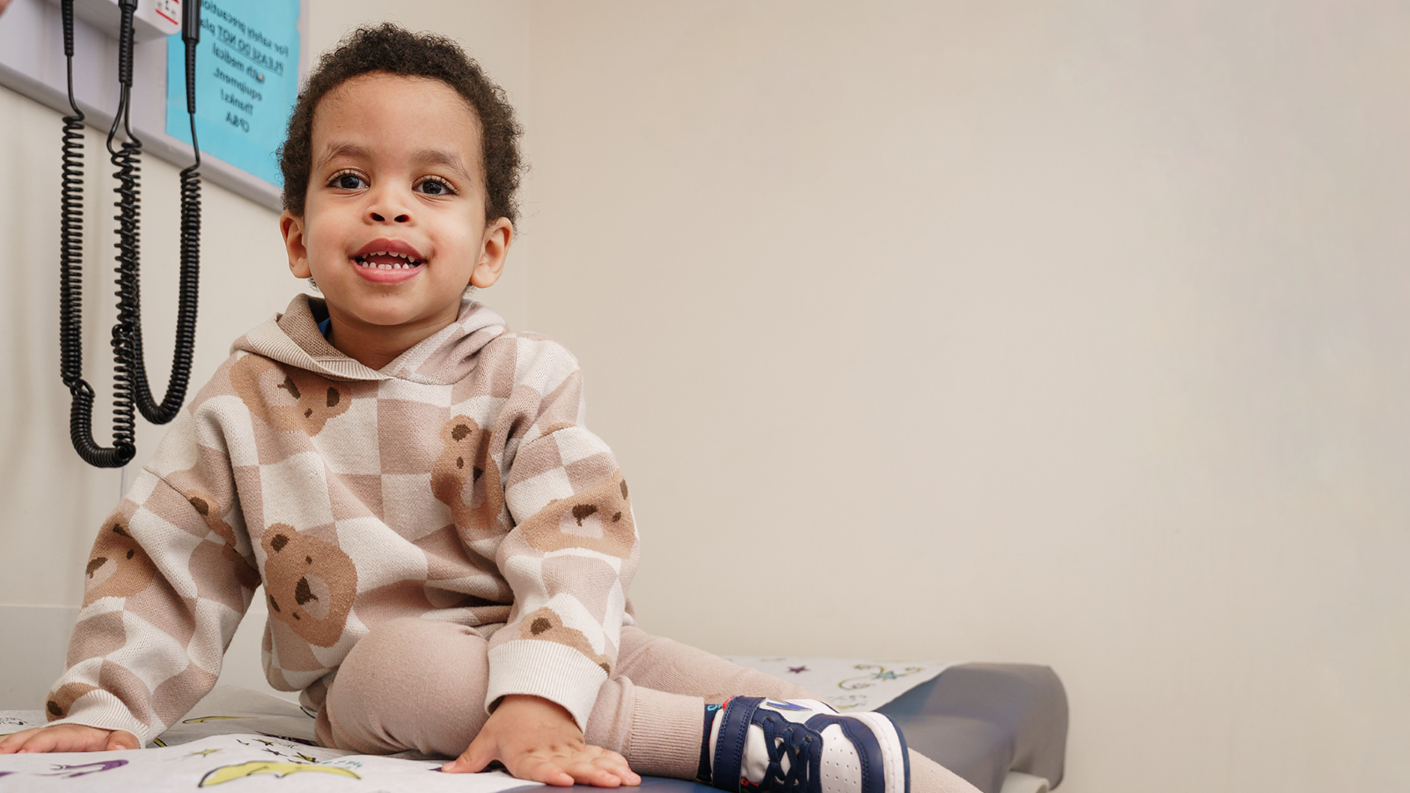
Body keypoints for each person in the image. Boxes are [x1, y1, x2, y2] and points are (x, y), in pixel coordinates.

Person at [0, 24, 977, 793]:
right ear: (298, 237)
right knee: (389, 673)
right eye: (351, 180)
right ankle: (713, 743)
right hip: (385, 675)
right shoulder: (245, 401)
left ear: (490, 246)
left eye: (431, 184)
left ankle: (856, 752)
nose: (389, 206)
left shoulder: (526, 375)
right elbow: (165, 560)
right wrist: (108, 700)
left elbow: (575, 541)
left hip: (546, 629)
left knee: (739, 685)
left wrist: (545, 685)